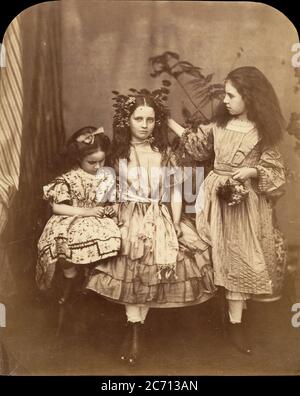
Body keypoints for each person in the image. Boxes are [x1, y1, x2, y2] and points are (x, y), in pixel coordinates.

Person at [86, 90, 216, 365]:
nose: (145, 125)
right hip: (127, 215)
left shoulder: (164, 152)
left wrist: (178, 222)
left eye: (150, 119)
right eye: (139, 119)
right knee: (132, 264)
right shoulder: (116, 153)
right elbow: (103, 184)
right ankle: (134, 329)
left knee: (153, 266)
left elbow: (177, 191)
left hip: (159, 214)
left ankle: (137, 328)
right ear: (127, 120)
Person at [167, 66, 287, 354]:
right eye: (225, 94)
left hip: (243, 203)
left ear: (250, 97)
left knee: (238, 256)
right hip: (214, 198)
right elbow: (195, 146)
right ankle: (210, 317)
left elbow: (276, 172)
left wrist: (253, 171)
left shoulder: (262, 133)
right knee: (213, 252)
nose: (225, 101)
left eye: (231, 95)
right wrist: (169, 122)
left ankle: (236, 325)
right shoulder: (218, 127)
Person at [36, 126, 121, 333]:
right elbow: (57, 206)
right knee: (62, 243)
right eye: (92, 162)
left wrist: (111, 208)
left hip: (98, 220)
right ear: (78, 159)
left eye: (102, 161)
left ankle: (92, 285)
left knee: (112, 240)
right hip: (72, 217)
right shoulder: (70, 177)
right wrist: (86, 212)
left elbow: (115, 200)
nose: (98, 166)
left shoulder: (107, 177)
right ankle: (72, 279)